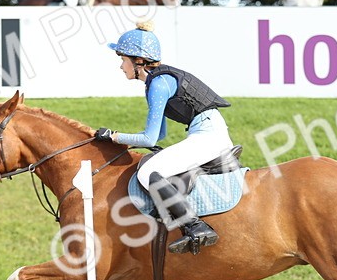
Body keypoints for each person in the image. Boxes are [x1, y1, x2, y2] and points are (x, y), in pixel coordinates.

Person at [94, 20, 234, 254]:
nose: (121, 67)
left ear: (138, 61)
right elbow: (160, 134)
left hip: (209, 135)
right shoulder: (157, 81)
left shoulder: (159, 84)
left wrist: (114, 136)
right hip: (206, 131)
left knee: (148, 172)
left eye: (122, 60)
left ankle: (196, 226)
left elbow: (149, 138)